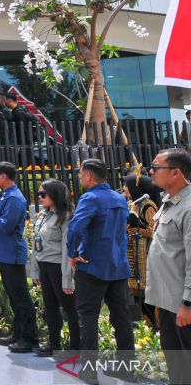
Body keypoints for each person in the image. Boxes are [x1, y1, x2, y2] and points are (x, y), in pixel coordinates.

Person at [67, 158, 134, 373]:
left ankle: (88, 371)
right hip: (118, 266)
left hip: (92, 266)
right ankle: (126, 370)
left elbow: (76, 228)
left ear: (88, 176)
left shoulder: (90, 199)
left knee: (88, 317)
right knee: (121, 317)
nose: (79, 177)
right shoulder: (119, 198)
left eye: (80, 173)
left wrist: (72, 253)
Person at [146, 148, 191, 385]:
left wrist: (188, 303)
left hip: (183, 303)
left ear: (176, 172)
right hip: (168, 299)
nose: (150, 171)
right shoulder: (169, 202)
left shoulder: (189, 206)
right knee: (176, 361)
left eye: (156, 167)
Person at [0, 161, 38, 352]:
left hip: (11, 252)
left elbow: (6, 225)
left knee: (20, 296)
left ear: (3, 176)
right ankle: (18, 332)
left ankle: (29, 337)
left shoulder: (15, 198)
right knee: (14, 297)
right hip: (3, 251)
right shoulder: (5, 195)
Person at [28, 178, 79, 357]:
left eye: (43, 194)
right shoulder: (43, 214)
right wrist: (35, 271)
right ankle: (53, 343)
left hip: (58, 266)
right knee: (50, 306)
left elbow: (67, 248)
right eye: (39, 193)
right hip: (44, 265)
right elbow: (36, 243)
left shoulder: (66, 216)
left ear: (55, 195)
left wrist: (68, 278)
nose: (40, 197)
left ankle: (75, 349)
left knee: (70, 308)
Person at [124, 172, 163, 325]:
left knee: (147, 293)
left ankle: (155, 324)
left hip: (146, 253)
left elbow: (153, 230)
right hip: (135, 252)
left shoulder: (148, 205)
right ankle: (148, 323)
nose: (125, 189)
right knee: (138, 295)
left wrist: (137, 225)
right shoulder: (135, 204)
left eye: (127, 186)